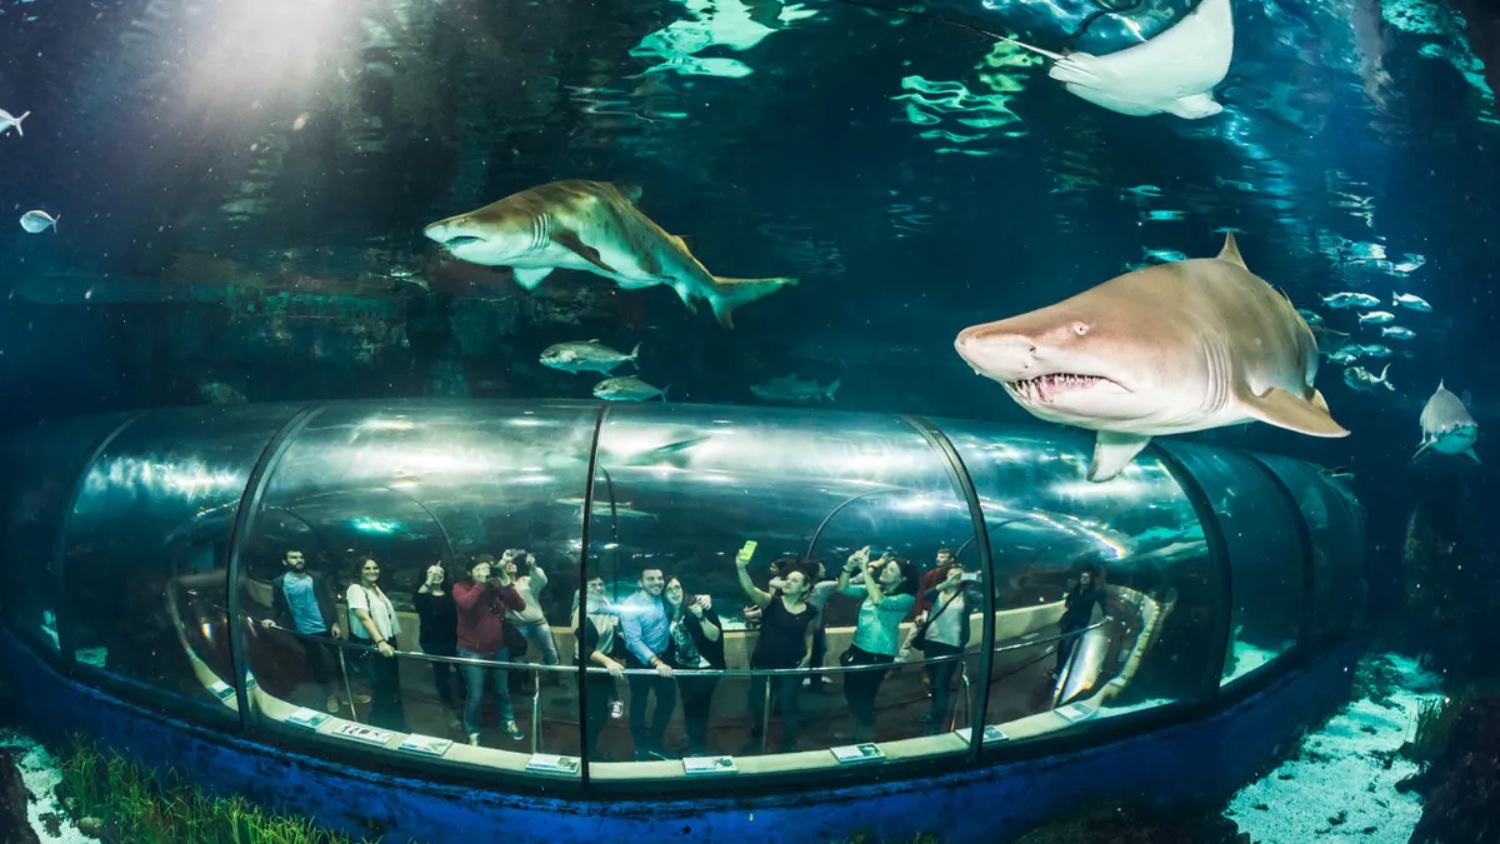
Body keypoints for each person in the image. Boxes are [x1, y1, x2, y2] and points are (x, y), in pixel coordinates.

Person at [735, 549, 816, 754]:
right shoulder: (773, 603)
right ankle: (756, 740)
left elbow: (808, 633)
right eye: (788, 578)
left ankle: (788, 744)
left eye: (795, 581)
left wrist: (808, 654)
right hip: (764, 662)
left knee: (789, 705)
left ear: (805, 587)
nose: (788, 582)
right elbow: (751, 590)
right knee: (760, 705)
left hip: (792, 664)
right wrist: (740, 568)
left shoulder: (810, 611)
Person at [835, 546, 918, 742]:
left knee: (865, 698)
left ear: (902, 579)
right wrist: (848, 567)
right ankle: (851, 733)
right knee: (850, 692)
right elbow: (843, 588)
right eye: (886, 568)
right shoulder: (874, 588)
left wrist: (865, 569)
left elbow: (880, 602)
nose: (884, 571)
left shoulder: (906, 599)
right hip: (857, 648)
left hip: (878, 653)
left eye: (890, 570)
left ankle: (864, 738)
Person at [260, 549, 354, 713]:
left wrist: (335, 623)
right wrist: (270, 618)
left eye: (301, 557)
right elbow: (277, 605)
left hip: (326, 626)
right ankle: (329, 696)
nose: (299, 560)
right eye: (294, 557)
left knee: (341, 659)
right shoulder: (279, 582)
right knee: (318, 664)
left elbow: (329, 600)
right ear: (285, 561)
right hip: (304, 630)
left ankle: (345, 693)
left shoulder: (316, 578)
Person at [453, 555, 526, 745]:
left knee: (502, 690)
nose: (484, 572)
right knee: (475, 694)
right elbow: (466, 604)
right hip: (471, 650)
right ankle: (473, 731)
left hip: (499, 649)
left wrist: (505, 585)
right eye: (480, 568)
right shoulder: (461, 587)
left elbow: (520, 605)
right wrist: (481, 583)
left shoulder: (496, 588)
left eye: (487, 568)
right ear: (470, 572)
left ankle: (508, 721)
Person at [618, 567, 677, 761]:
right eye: (650, 578)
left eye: (660, 578)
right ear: (640, 582)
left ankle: (655, 743)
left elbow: (683, 598)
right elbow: (634, 641)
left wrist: (704, 599)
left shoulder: (665, 598)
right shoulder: (630, 605)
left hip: (664, 658)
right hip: (640, 660)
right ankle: (640, 746)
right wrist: (656, 662)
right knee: (639, 702)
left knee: (668, 699)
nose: (657, 582)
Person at [345, 556, 408, 732]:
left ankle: (395, 725)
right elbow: (363, 616)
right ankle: (381, 727)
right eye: (367, 568)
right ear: (359, 571)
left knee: (391, 686)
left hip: (386, 640)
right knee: (381, 687)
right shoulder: (355, 589)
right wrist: (380, 641)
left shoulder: (374, 587)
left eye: (375, 568)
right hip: (374, 643)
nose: (373, 571)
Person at [663, 577, 724, 757]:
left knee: (700, 708)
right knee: (689, 706)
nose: (674, 592)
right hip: (683, 668)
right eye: (669, 589)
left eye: (677, 587)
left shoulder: (698, 605)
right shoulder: (666, 613)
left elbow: (714, 636)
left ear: (683, 589)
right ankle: (693, 740)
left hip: (706, 668)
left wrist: (701, 617)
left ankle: (699, 748)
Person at [413, 561, 463, 730]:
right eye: (432, 571)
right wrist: (429, 580)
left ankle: (461, 705)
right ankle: (448, 709)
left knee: (462, 674)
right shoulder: (423, 594)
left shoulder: (451, 593)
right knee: (442, 677)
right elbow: (419, 600)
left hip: (455, 640)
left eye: (440, 571)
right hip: (433, 642)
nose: (437, 574)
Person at [1054, 565, 1108, 677]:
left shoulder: (1094, 593)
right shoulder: (1075, 590)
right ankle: (1057, 668)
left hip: (1080, 622)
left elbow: (1103, 604)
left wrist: (1107, 614)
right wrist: (1068, 603)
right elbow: (1068, 601)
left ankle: (1060, 670)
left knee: (1067, 643)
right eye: (1082, 577)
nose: (1084, 579)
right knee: (1061, 644)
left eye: (1087, 577)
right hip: (1068, 619)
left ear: (1091, 580)